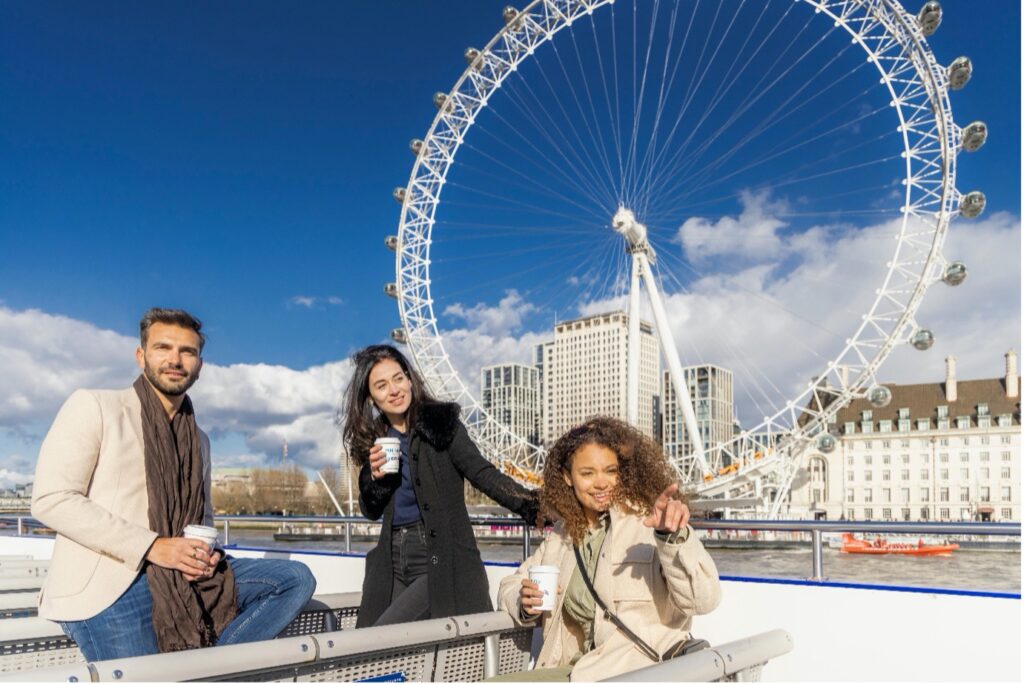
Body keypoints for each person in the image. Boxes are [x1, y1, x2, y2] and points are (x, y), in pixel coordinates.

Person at [31, 308, 316, 661]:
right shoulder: (95, 406)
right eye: (163, 347)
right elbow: (52, 499)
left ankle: (213, 670)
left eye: (188, 352)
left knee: (293, 579)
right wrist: (153, 546)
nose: (175, 360)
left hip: (180, 574)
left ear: (199, 365)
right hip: (112, 581)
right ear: (141, 356)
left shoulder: (200, 439)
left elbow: (204, 517)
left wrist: (206, 557)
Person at [495, 417, 721, 682]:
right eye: (587, 473)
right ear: (568, 477)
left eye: (610, 471)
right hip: (576, 670)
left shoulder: (649, 524)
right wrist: (524, 602)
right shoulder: (562, 537)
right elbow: (509, 585)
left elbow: (703, 600)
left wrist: (673, 537)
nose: (601, 483)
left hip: (638, 671)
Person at [342, 344, 539, 627]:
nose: (394, 390)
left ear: (410, 379)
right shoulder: (374, 439)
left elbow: (482, 473)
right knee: (370, 644)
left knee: (382, 636)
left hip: (438, 555)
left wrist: (534, 505)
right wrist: (375, 480)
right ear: (371, 398)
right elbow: (369, 510)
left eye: (398, 378)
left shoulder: (441, 424)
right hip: (392, 559)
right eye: (382, 386)